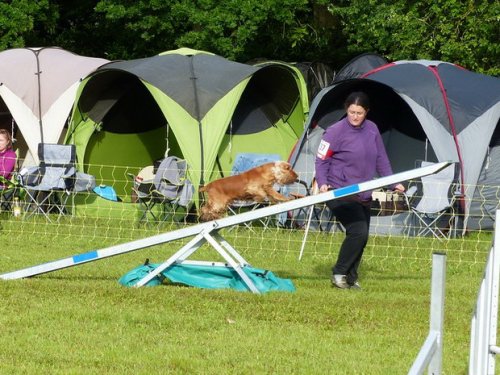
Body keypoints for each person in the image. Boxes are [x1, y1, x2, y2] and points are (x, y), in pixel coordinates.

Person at [315, 92, 404, 290]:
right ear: (346, 109)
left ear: (367, 112)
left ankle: (351, 278)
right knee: (358, 232)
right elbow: (321, 160)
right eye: (351, 112)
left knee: (361, 237)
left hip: (364, 192)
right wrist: (322, 183)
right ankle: (339, 273)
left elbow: (381, 158)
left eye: (359, 113)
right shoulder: (334, 131)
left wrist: (393, 183)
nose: (355, 116)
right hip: (339, 190)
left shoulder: (372, 129)